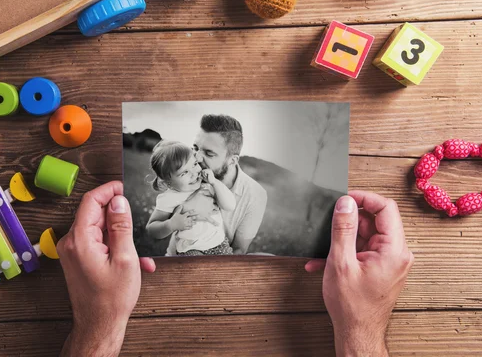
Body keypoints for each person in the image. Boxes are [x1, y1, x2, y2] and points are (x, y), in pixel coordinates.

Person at [58, 181, 414, 356]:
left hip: (216, 249)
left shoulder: (221, 192)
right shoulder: (173, 198)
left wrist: (95, 327)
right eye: (186, 165)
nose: (195, 167)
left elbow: (229, 210)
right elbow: (155, 228)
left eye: (201, 159)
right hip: (183, 253)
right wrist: (173, 224)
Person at [166, 114, 268, 255]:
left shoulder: (255, 194)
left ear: (232, 160)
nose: (197, 157)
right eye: (195, 148)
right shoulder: (189, 178)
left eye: (209, 153)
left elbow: (239, 249)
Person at [146, 140, 236, 256]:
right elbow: (151, 229)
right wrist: (170, 224)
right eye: (184, 173)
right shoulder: (169, 198)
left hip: (219, 245)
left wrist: (215, 183)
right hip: (191, 249)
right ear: (168, 183)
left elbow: (230, 205)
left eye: (194, 164)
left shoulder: (207, 184)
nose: (194, 173)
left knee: (227, 271)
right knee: (197, 270)